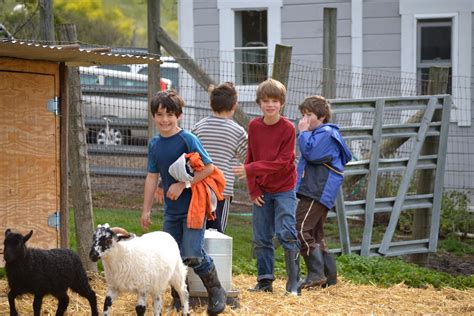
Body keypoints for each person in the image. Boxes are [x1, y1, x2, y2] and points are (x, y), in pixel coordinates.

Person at [140, 90, 226, 315]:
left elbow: (209, 168)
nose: (165, 120)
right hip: (171, 212)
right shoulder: (155, 144)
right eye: (160, 115)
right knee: (171, 257)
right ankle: (179, 298)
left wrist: (183, 184)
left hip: (193, 209)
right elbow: (152, 176)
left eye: (170, 114)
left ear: (179, 115)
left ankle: (216, 291)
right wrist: (146, 209)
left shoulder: (187, 139)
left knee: (192, 253)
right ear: (153, 116)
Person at [233, 79, 300, 296]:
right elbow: (250, 157)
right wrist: (253, 190)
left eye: (274, 101)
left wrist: (251, 169)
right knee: (261, 236)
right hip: (261, 189)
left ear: (281, 103)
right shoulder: (254, 126)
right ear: (259, 103)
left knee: (286, 231)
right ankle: (264, 281)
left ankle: (293, 284)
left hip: (284, 187)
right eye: (265, 101)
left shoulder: (288, 128)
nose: (270, 105)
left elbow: (282, 162)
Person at [295, 95, 352, 288]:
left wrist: (302, 133)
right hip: (316, 189)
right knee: (315, 234)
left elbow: (311, 154)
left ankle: (316, 274)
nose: (305, 119)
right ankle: (329, 278)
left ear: (322, 117)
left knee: (300, 229)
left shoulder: (326, 133)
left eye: (309, 114)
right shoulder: (319, 133)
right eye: (303, 114)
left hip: (317, 189)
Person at [191, 82, 248, 233]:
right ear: (234, 105)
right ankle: (213, 256)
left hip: (198, 187)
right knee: (217, 233)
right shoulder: (238, 132)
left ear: (211, 104)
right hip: (222, 190)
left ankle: (195, 255)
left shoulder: (198, 127)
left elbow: (189, 155)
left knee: (196, 228)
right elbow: (248, 158)